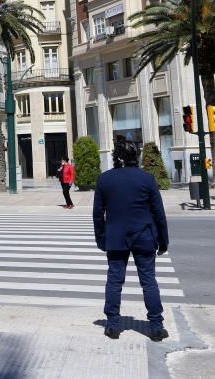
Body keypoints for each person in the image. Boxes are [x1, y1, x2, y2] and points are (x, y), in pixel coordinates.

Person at [93, 140, 170, 342]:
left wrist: (101, 239)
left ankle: (112, 325)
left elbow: (97, 214)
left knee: (114, 281)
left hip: (115, 237)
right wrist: (163, 240)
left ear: (115, 157)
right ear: (135, 156)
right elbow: (158, 213)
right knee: (149, 281)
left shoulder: (104, 180)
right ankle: (156, 326)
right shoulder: (147, 179)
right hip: (144, 235)